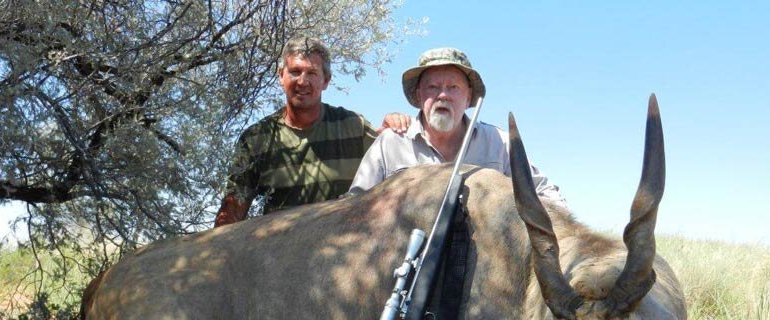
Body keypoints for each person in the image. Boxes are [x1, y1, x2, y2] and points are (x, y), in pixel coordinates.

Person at [215, 37, 409, 226]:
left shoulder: (352, 126)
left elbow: (392, 164)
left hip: (345, 249)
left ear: (326, 80)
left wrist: (392, 132)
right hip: (280, 253)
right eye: (295, 72)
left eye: (312, 73)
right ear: (280, 76)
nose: (302, 81)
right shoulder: (256, 139)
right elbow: (232, 213)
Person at [348, 47, 565, 206]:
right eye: (432, 87)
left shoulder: (499, 143)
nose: (442, 95)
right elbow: (354, 206)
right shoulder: (391, 143)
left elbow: (546, 194)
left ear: (469, 96)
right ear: (419, 95)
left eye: (453, 87)